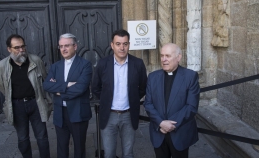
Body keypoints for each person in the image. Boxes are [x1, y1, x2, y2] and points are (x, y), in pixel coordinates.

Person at [92, 29, 147, 158]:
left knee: (128, 153)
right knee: (109, 153)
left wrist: (132, 99)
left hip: (129, 115)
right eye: (118, 44)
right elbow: (95, 87)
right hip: (109, 115)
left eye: (125, 44)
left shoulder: (138, 64)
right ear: (112, 45)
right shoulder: (103, 64)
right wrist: (106, 100)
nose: (122, 47)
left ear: (129, 44)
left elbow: (143, 87)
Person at [0, 34, 52, 158]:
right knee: (23, 138)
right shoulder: (1, 66)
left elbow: (45, 79)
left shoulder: (36, 61)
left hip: (36, 103)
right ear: (9, 49)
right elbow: (2, 87)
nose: (21, 50)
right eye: (17, 48)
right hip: (17, 106)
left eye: (23, 46)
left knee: (42, 136)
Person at [144, 43, 200, 158]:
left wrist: (170, 125)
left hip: (180, 132)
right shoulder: (153, 77)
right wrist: (161, 123)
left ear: (178, 57)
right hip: (158, 132)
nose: (164, 59)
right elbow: (148, 103)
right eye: (162, 56)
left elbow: (191, 106)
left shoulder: (190, 76)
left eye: (168, 56)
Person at [43, 33, 92, 158]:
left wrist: (58, 90)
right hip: (60, 112)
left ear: (75, 46)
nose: (63, 49)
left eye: (66, 46)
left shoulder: (85, 65)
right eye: (60, 46)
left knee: (79, 148)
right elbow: (47, 85)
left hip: (78, 111)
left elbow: (80, 88)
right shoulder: (55, 66)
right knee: (61, 147)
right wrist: (68, 85)